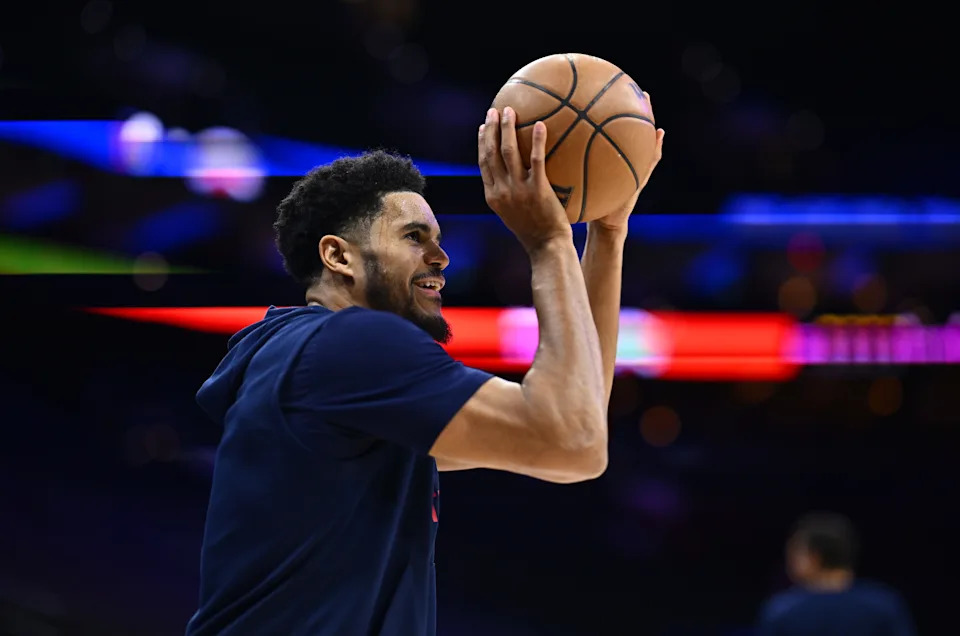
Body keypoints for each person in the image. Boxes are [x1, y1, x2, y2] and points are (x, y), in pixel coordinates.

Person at [184, 106, 664, 635]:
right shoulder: (348, 343)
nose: (441, 257)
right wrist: (549, 242)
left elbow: (578, 433)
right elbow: (573, 440)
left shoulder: (317, 369)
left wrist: (608, 232)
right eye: (414, 237)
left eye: (437, 238)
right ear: (338, 256)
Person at [756, 511, 916, 636]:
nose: (789, 562)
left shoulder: (783, 610)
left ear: (814, 557)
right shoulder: (885, 604)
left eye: (793, 554)